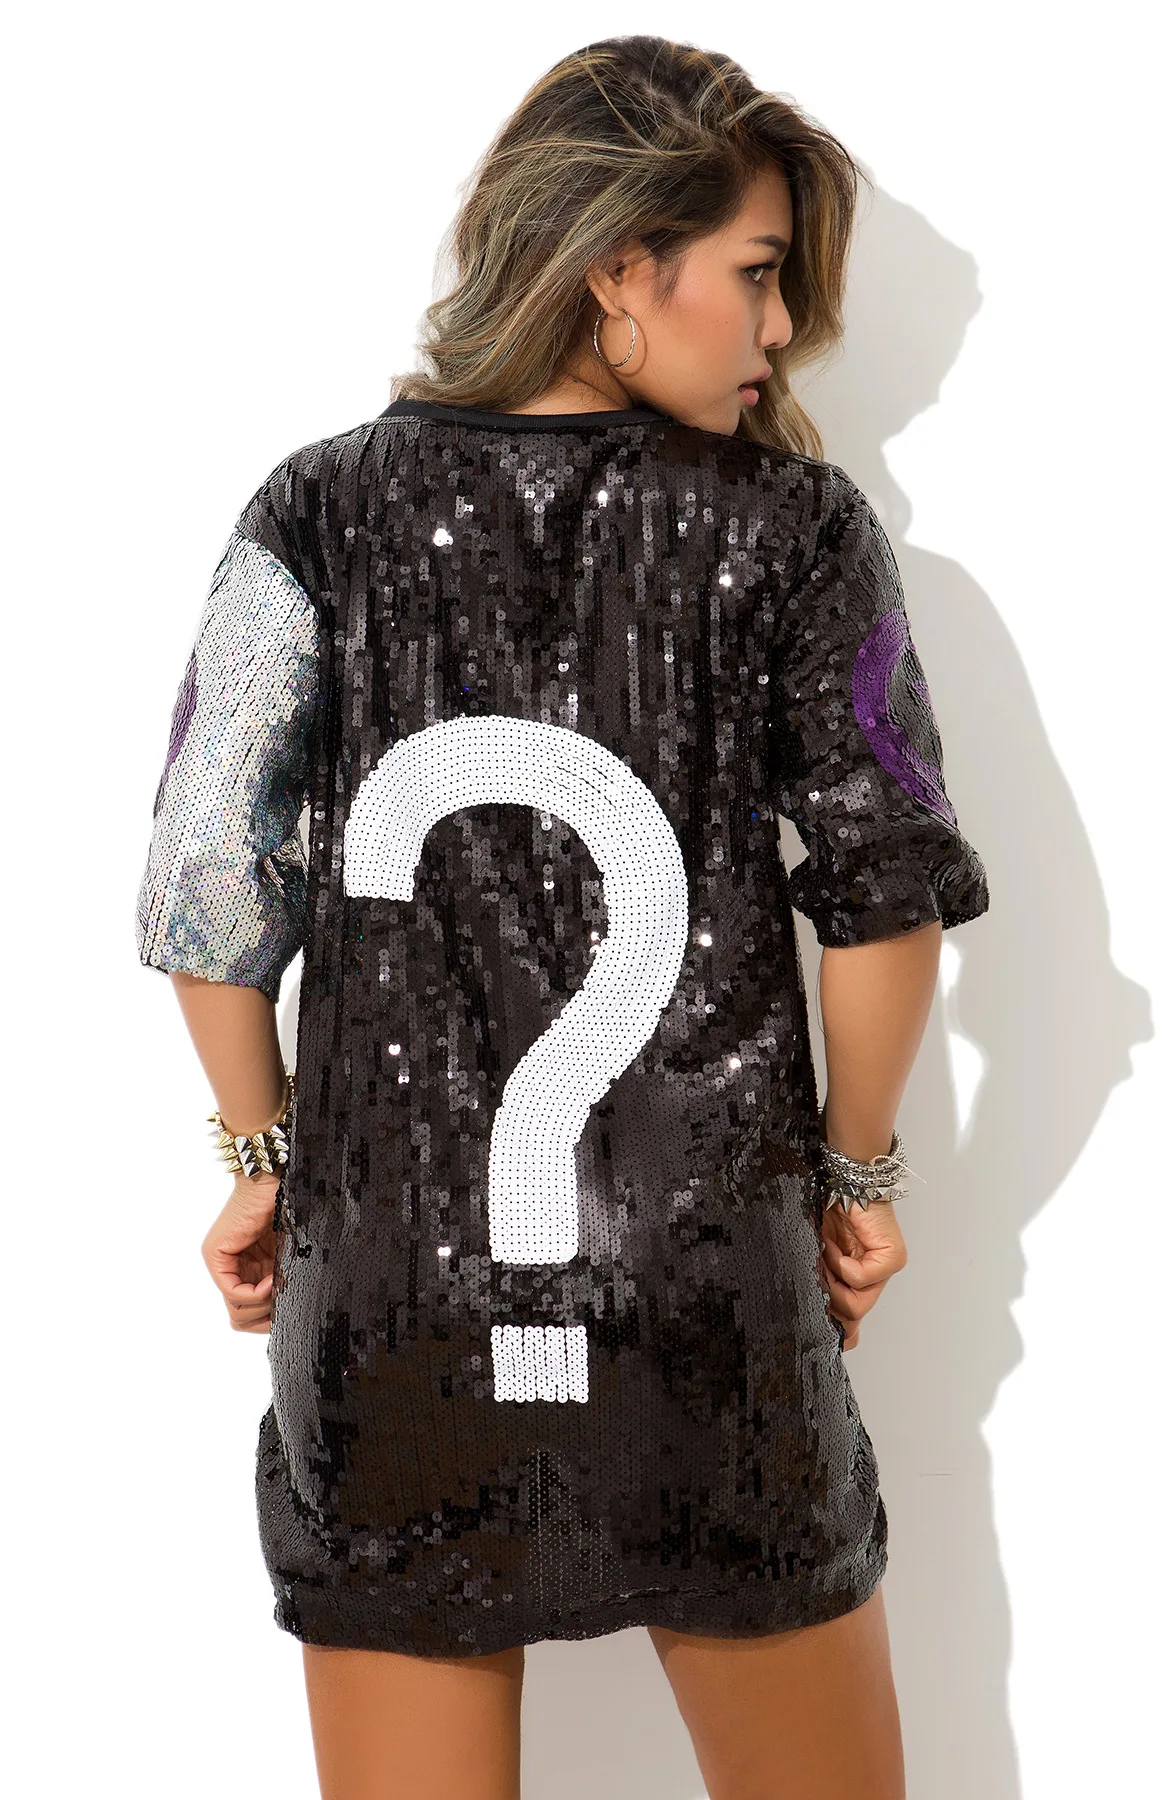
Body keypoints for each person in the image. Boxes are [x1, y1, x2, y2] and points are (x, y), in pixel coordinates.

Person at [134, 34, 988, 1800]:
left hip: (395, 1297)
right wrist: (860, 1174)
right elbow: (883, 895)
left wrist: (261, 1151)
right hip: (710, 1297)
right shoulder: (797, 530)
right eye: (759, 274)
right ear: (617, 266)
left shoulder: (313, 509)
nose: (779, 332)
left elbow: (211, 878)